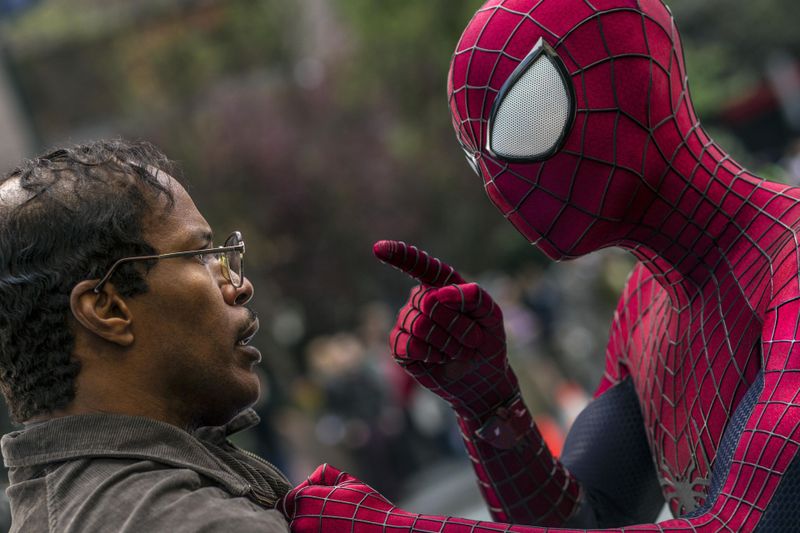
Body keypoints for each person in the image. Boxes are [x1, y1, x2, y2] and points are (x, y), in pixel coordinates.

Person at [282, 0, 800, 531]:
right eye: (476, 156)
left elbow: (740, 525)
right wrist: (489, 404)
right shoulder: (645, 307)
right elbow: (585, 519)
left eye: (527, 114)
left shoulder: (791, 265)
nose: (498, 182)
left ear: (634, 69)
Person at [0, 140, 290, 532]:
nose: (239, 286)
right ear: (108, 308)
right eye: (199, 255)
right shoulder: (193, 523)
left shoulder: (70, 504)